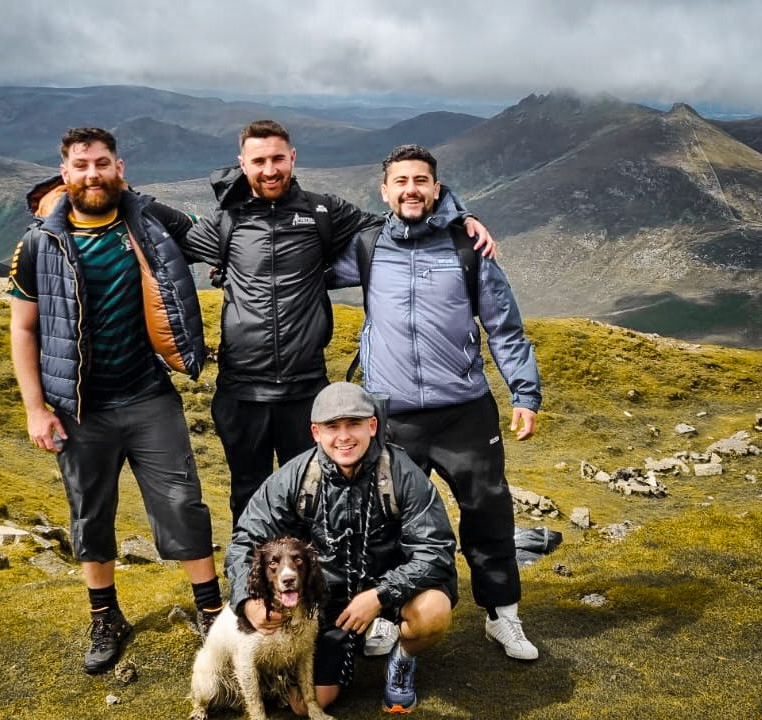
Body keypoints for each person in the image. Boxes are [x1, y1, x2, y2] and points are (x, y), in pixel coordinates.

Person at [177, 119, 495, 526]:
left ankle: (313, 582)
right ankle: (253, 582)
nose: (270, 169)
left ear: (292, 157)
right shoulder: (224, 223)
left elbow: (397, 220)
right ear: (242, 163)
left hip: (306, 389)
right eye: (259, 161)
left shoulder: (322, 211)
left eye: (278, 158)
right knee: (248, 494)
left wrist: (459, 215)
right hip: (241, 391)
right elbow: (170, 242)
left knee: (314, 492)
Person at [7, 127, 222, 674]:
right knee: (90, 513)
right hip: (79, 409)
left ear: (119, 168)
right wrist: (36, 408)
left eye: (102, 164)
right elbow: (23, 328)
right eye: (81, 166)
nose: (92, 174)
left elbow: (216, 238)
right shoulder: (39, 242)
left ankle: (211, 612)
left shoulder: (152, 219)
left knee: (182, 503)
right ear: (65, 172)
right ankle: (106, 618)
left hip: (150, 396)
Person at [327, 144, 543, 661]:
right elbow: (298, 265)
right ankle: (384, 617)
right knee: (383, 521)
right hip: (392, 412)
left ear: (437, 188)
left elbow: (504, 326)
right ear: (384, 191)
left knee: (487, 512)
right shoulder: (367, 245)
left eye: (421, 180)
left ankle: (503, 616)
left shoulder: (469, 248)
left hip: (464, 409)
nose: (411, 189)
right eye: (401, 181)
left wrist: (524, 392)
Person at [225, 382, 458, 714]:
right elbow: (245, 542)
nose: (344, 436)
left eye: (354, 424)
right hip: (325, 600)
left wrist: (380, 595)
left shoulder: (402, 474)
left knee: (433, 611)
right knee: (307, 706)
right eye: (333, 427)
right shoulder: (296, 477)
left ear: (372, 426)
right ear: (316, 432)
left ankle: (402, 658)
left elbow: (435, 550)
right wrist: (247, 603)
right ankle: (332, 650)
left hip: (390, 587)